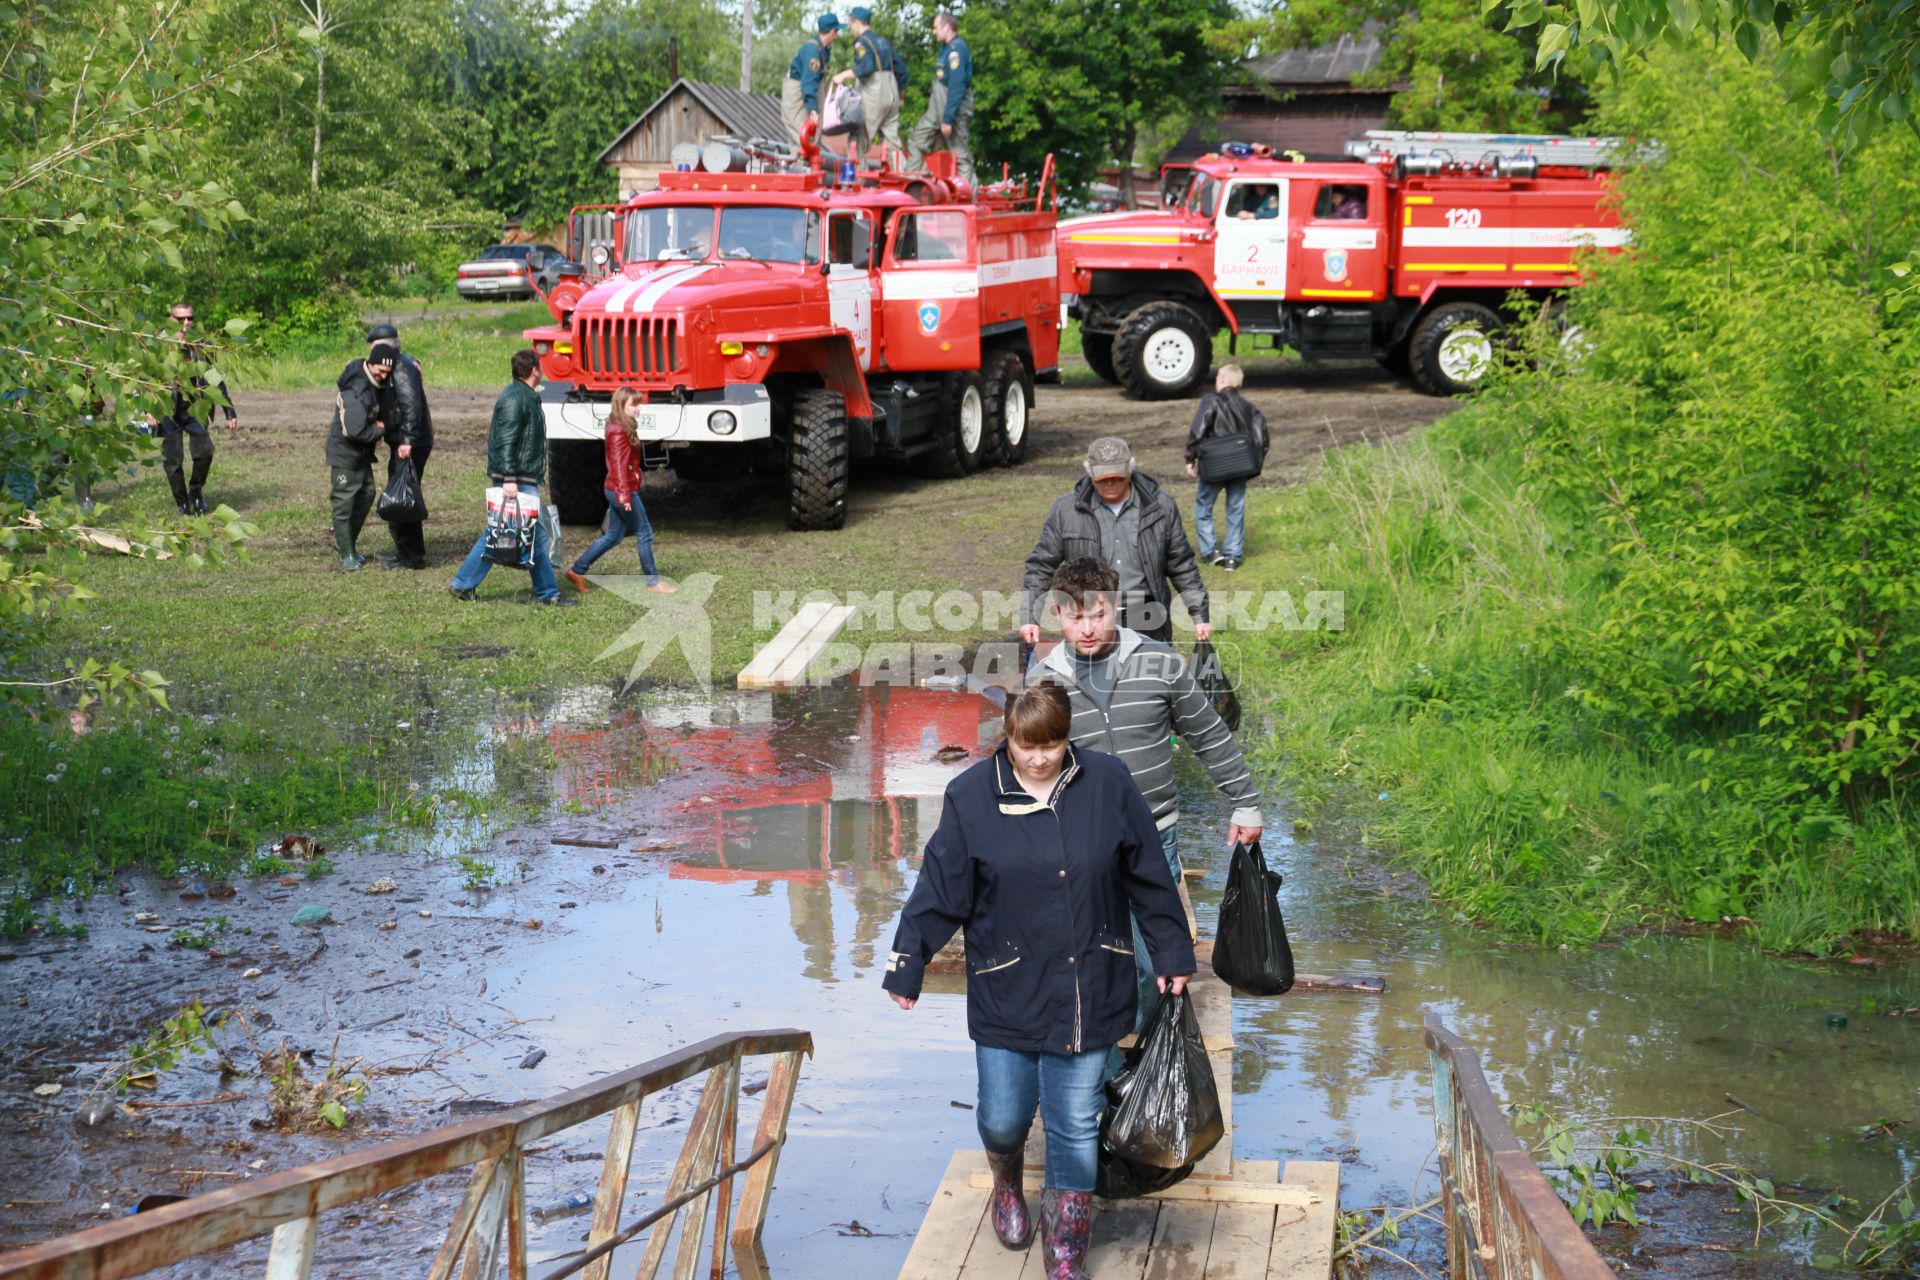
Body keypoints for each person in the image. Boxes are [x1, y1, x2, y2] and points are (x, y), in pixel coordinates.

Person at [883, 681, 1195, 1280]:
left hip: (1091, 982)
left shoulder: (1106, 783)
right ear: (1008, 738)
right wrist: (909, 962)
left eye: (1051, 745)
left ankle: (1066, 1251)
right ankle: (1006, 1185)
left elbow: (1149, 872)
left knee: (1075, 1122)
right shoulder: (971, 795)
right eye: (1027, 746)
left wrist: (1173, 952)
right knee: (1004, 1116)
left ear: (1066, 736)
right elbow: (941, 887)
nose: (1039, 758)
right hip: (1009, 983)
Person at [1032, 557, 1262, 1032]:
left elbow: (1208, 733)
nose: (1088, 628)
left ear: (1115, 607)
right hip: (1082, 846)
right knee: (1096, 962)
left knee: (1156, 961)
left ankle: (1141, 1056)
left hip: (1157, 838)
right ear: (1058, 614)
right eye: (1076, 617)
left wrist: (1244, 800)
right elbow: (1021, 766)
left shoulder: (1159, 663)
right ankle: (1106, 1063)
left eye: (1098, 614)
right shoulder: (1044, 682)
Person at [1020, 436, 1210, 645]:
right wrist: (1030, 616)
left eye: (1117, 477)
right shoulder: (1065, 511)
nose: (1110, 483)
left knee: (1146, 674)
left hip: (1146, 615)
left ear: (1130, 469)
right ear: (1090, 472)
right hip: (1091, 616)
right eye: (1103, 478)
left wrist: (1199, 614)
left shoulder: (1161, 507)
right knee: (1094, 676)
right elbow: (1041, 565)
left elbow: (1181, 563)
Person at [448, 350, 578, 606]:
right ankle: (547, 594)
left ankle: (465, 584)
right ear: (534, 371)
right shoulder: (516, 398)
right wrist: (508, 478)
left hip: (521, 477)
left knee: (526, 534)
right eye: (539, 368)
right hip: (516, 480)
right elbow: (506, 440)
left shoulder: (523, 395)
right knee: (513, 533)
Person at [563, 388, 676, 596]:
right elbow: (617, 466)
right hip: (621, 490)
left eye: (638, 403)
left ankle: (577, 570)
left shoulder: (622, 425)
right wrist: (624, 495)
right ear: (621, 406)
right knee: (644, 533)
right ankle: (653, 582)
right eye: (634, 404)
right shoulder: (618, 431)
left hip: (616, 488)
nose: (639, 408)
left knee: (613, 536)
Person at [147, 301, 236, 515]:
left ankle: (196, 493)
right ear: (171, 319)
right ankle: (182, 503)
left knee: (205, 452)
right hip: (167, 409)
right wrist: (149, 410)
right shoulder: (158, 346)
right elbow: (146, 380)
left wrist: (229, 409)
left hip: (194, 407)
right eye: (180, 319)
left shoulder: (199, 346)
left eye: (189, 318)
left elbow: (214, 378)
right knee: (173, 460)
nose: (186, 323)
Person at [1184, 363, 1269, 570]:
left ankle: (1210, 551)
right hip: (1240, 467)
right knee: (1235, 509)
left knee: (1204, 506)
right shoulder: (1250, 409)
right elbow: (1263, 440)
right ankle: (1233, 556)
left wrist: (1190, 458)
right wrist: (1253, 463)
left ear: (1221, 381)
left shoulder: (1210, 400)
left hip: (1213, 466)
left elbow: (1199, 430)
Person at [366, 324, 434, 570]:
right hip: (407, 440)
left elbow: (411, 405)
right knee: (401, 492)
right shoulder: (399, 364)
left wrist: (407, 440)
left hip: (411, 442)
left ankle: (412, 557)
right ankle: (404, 552)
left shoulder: (403, 367)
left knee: (405, 496)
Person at [324, 343, 395, 571]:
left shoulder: (373, 384)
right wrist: (381, 428)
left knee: (366, 494)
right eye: (379, 370)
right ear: (370, 364)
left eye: (387, 372)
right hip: (345, 454)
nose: (383, 375)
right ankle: (346, 554)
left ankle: (348, 545)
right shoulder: (356, 390)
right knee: (344, 503)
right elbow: (355, 430)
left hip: (361, 454)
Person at [904, 10, 974, 184]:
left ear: (947, 27)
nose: (934, 32)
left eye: (936, 28)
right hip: (936, 112)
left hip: (952, 113)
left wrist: (948, 119)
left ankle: (968, 201)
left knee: (961, 157)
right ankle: (921, 187)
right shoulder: (946, 49)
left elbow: (957, 86)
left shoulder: (957, 50)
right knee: (916, 142)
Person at [834, 7, 907, 164]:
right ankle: (905, 181)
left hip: (875, 94)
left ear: (858, 23)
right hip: (891, 95)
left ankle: (857, 184)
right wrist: (900, 93)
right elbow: (902, 69)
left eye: (851, 25)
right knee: (893, 143)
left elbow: (866, 67)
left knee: (857, 140)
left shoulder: (862, 42)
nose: (851, 29)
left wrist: (843, 75)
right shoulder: (883, 42)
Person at [782, 13, 842, 147]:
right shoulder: (813, 51)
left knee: (812, 137)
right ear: (832, 31)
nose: (837, 35)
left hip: (809, 92)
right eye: (837, 31)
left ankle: (807, 166)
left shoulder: (823, 49)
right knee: (802, 136)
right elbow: (808, 82)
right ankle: (803, 166)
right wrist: (813, 109)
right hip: (798, 95)